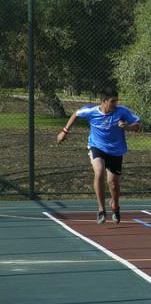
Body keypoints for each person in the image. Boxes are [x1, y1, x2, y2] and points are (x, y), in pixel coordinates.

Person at [56, 87, 141, 224]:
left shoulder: (122, 111)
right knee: (99, 172)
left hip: (116, 150)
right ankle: (101, 209)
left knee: (113, 184)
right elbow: (76, 114)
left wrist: (127, 127)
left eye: (116, 101)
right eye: (112, 101)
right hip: (97, 147)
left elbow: (137, 126)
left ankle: (115, 205)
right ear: (104, 101)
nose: (115, 104)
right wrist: (64, 132)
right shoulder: (91, 112)